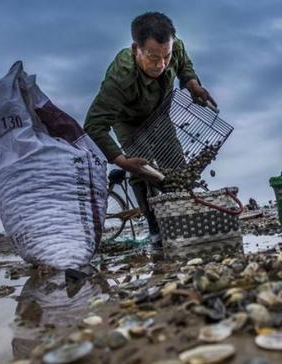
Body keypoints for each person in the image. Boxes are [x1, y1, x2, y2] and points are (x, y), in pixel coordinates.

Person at [84, 11, 216, 245]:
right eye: (153, 58)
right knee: (144, 170)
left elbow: (184, 65)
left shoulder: (175, 49)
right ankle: (155, 228)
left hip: (160, 113)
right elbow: (94, 125)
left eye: (166, 56)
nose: (162, 64)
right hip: (129, 122)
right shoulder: (119, 78)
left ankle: (182, 218)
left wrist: (194, 85)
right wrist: (122, 161)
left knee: (176, 168)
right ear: (136, 50)